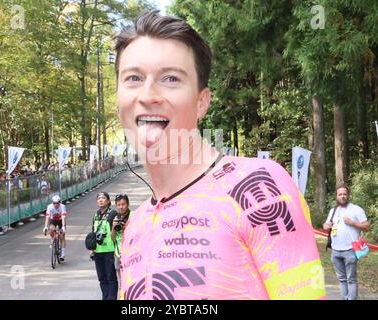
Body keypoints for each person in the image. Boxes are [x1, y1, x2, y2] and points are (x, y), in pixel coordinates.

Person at [115, 10, 326, 300]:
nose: (148, 95)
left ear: (202, 102)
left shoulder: (258, 187)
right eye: (134, 78)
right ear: (118, 103)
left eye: (171, 79)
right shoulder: (136, 224)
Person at [323, 185, 370, 300]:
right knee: (342, 279)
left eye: (345, 194)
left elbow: (367, 226)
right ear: (336, 196)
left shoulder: (356, 209)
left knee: (351, 279)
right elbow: (325, 225)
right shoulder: (333, 211)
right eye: (340, 194)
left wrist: (352, 223)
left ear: (348, 195)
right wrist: (326, 226)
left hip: (350, 250)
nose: (342, 196)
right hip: (335, 251)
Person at [89, 192, 118, 300]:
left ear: (109, 201)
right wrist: (91, 249)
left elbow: (117, 232)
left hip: (109, 251)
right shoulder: (96, 215)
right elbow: (93, 232)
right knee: (102, 278)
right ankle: (105, 297)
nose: (100, 200)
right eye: (99, 198)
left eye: (103, 198)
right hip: (98, 251)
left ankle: (112, 298)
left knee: (111, 278)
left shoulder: (113, 214)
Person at [111, 194, 131, 291]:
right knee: (121, 282)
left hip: (130, 253)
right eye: (118, 205)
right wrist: (114, 228)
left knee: (131, 280)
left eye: (123, 204)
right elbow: (113, 239)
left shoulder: (133, 216)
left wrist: (126, 227)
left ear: (128, 204)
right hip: (118, 253)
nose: (121, 207)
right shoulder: (116, 218)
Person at [43, 195, 67, 261]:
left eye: (57, 203)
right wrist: (45, 226)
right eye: (54, 203)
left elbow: (63, 218)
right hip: (53, 220)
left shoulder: (62, 207)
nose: (56, 204)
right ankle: (52, 239)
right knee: (51, 229)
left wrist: (63, 227)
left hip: (60, 220)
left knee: (62, 236)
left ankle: (63, 254)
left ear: (60, 202)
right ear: (52, 202)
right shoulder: (49, 207)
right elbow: (47, 218)